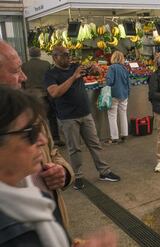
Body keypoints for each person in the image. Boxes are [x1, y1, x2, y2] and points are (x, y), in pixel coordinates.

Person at [0, 86, 118, 247]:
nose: (41, 141)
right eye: (31, 133)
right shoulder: (11, 231)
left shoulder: (31, 192)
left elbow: (53, 152)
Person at [0, 40, 74, 230]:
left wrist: (63, 172)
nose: (23, 77)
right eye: (16, 71)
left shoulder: (30, 115)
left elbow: (52, 151)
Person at [45, 46, 121, 190]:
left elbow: (96, 73)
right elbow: (54, 93)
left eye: (69, 54)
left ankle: (104, 171)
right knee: (75, 149)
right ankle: (78, 177)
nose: (68, 57)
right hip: (68, 118)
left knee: (95, 144)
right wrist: (74, 77)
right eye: (65, 55)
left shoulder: (75, 66)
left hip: (85, 114)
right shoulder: (50, 74)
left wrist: (95, 69)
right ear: (55, 57)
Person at [22, 47, 62, 145]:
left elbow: (22, 82)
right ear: (39, 54)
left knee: (35, 119)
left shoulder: (24, 65)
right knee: (51, 117)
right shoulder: (46, 64)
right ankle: (55, 139)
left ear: (30, 54)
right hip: (44, 94)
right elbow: (51, 78)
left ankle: (37, 139)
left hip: (30, 96)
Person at [106, 51, 130, 144]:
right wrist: (128, 93)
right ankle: (124, 134)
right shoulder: (124, 68)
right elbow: (128, 83)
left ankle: (114, 137)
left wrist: (105, 81)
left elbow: (109, 81)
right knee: (123, 114)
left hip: (114, 94)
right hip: (124, 95)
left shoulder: (112, 68)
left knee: (112, 116)